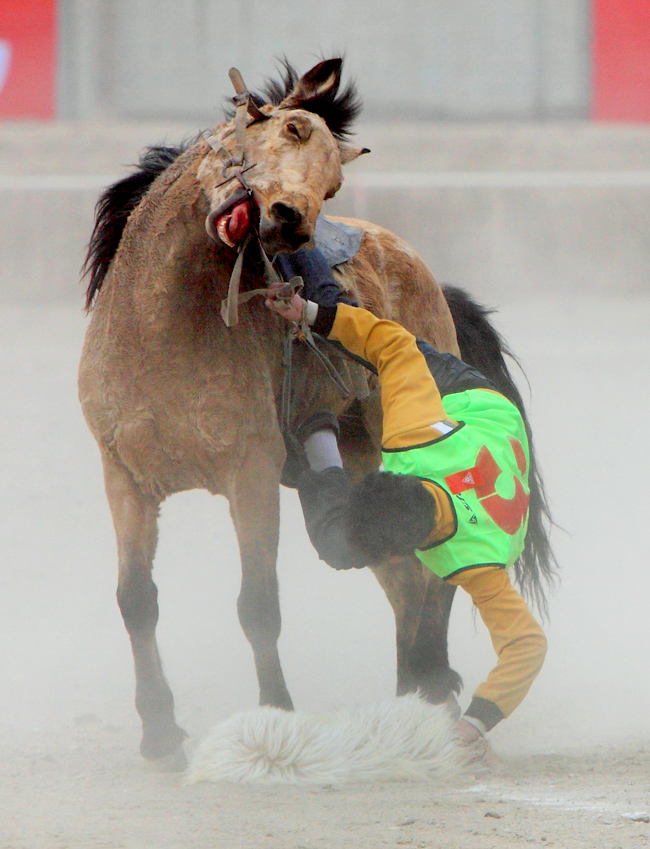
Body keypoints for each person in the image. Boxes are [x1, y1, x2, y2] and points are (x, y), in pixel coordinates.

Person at [265, 285, 547, 753]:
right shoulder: (409, 433)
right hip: (464, 396)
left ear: (400, 555)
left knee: (337, 546)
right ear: (390, 473)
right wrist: (309, 312)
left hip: (469, 430)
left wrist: (472, 724)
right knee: (398, 353)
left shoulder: (474, 562)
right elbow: (392, 342)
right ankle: (317, 446)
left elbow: (529, 647)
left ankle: (317, 447)